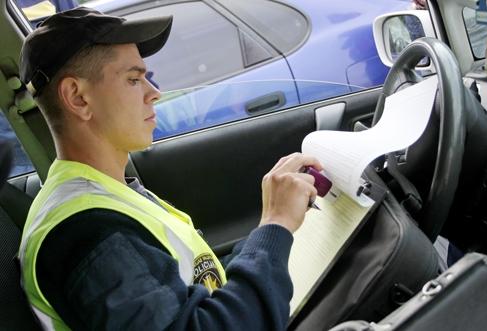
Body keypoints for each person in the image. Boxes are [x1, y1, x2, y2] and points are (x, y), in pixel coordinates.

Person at [18, 7, 322, 331]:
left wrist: (268, 235)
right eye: (134, 79)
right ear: (78, 98)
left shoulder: (109, 195)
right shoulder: (86, 232)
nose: (154, 92)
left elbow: (200, 288)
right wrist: (276, 224)